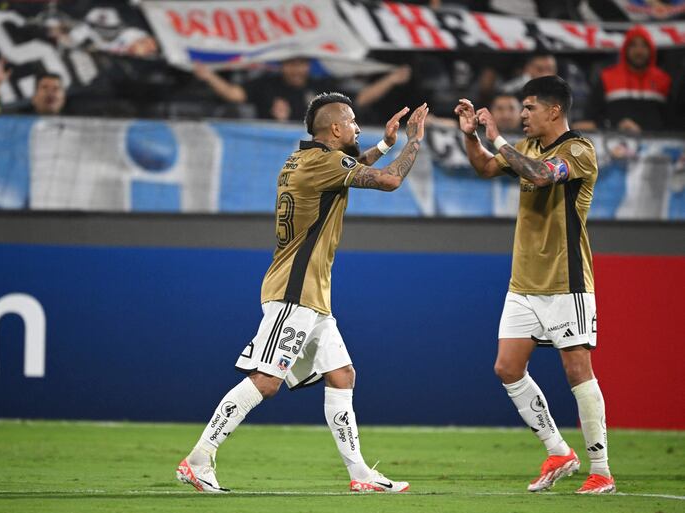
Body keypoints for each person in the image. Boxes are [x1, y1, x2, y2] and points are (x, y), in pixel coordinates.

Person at [176, 93, 429, 493]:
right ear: (335, 129)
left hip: (312, 295)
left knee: (342, 375)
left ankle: (361, 475)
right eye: (352, 122)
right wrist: (414, 140)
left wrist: (384, 144)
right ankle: (198, 459)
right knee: (266, 381)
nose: (358, 128)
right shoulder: (322, 163)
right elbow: (389, 180)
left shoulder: (305, 160)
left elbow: (351, 169)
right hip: (295, 291)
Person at [454, 76, 616, 495]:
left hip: (566, 281)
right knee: (507, 368)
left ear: (554, 110)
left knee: (577, 370)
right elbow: (486, 167)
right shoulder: (526, 147)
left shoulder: (578, 150)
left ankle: (601, 470)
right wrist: (472, 137)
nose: (523, 115)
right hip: (523, 283)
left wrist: (497, 136)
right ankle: (558, 451)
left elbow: (542, 176)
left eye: (529, 107)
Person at [193, 58, 411, 122]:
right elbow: (234, 94)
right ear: (282, 65)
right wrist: (209, 76)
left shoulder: (321, 86)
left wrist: (391, 79)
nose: (297, 70)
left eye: (301, 64)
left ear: (308, 66)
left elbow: (360, 98)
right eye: (291, 64)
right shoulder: (266, 84)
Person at [574, 26, 671, 133]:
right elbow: (590, 118)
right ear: (625, 49)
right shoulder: (607, 77)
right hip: (614, 140)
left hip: (656, 141)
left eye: (644, 45)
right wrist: (613, 125)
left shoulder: (663, 79)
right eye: (633, 45)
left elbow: (672, 120)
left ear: (651, 49)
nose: (639, 51)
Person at [0, 68, 67, 116]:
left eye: (55, 89)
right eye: (45, 87)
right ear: (34, 98)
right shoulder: (18, 120)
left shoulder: (74, 123)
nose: (50, 92)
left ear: (63, 98)